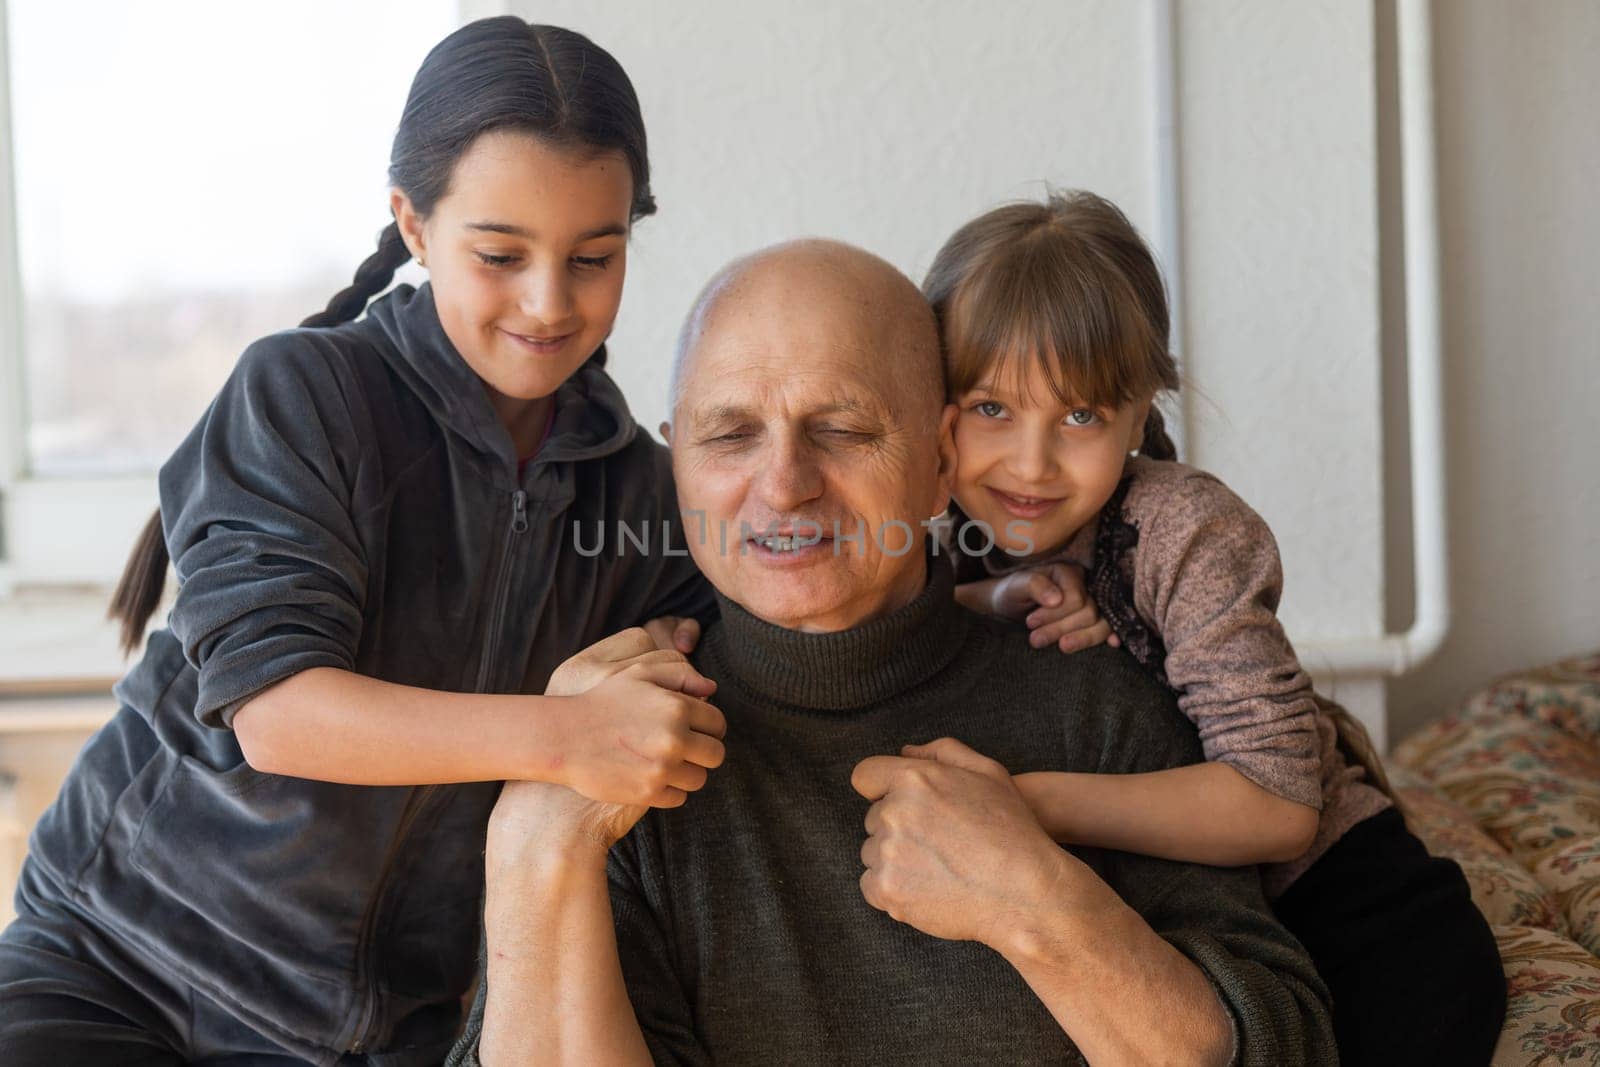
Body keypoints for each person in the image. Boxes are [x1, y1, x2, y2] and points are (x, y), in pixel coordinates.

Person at [0, 18, 727, 1065]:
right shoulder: (304, 393)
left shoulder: (645, 493)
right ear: (413, 223)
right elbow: (283, 716)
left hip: (386, 1037)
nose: (549, 301)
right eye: (500, 253)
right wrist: (569, 733)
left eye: (594, 256)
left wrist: (995, 594)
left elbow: (776, 608)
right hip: (119, 977)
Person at [448, 239, 1337, 1066]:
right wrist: (535, 831)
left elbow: (1288, 1043)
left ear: (943, 457)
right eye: (730, 433)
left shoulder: (1101, 701)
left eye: (842, 429)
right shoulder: (616, 751)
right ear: (677, 460)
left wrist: (1038, 905)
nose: (785, 484)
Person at [926, 189, 1504, 1064]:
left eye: (1079, 415)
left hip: (1347, 920)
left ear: (1139, 406)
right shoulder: (943, 534)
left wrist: (1024, 808)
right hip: (1170, 931)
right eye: (991, 408)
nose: (1031, 462)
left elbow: (1276, 805)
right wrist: (997, 601)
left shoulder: (1181, 529)